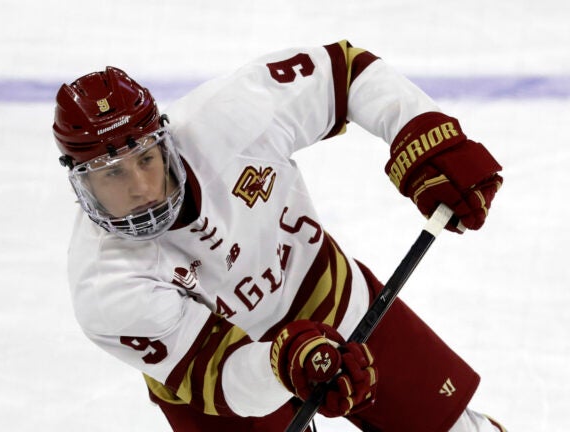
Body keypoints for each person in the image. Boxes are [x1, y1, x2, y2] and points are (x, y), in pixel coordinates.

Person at [51, 40, 505, 431]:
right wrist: (284, 366)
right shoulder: (105, 286)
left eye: (145, 159)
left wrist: (421, 134)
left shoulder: (229, 117)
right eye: (110, 174)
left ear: (164, 139)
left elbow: (344, 72)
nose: (141, 189)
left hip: (333, 298)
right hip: (223, 391)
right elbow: (222, 376)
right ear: (80, 183)